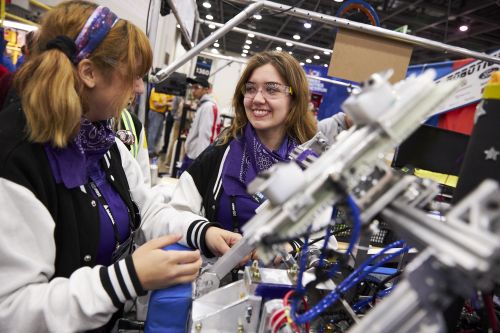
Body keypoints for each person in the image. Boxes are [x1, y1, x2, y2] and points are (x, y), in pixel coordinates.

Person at [0, 2, 240, 332]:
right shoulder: (16, 158)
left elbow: (148, 209)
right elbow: (12, 310)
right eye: (133, 76)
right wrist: (125, 278)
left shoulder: (100, 139)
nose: (140, 88)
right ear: (88, 73)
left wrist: (204, 232)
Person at [168, 51, 317, 253]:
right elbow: (175, 213)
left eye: (271, 90)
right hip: (217, 278)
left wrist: (293, 247)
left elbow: (324, 238)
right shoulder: (220, 154)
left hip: (280, 282)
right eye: (250, 89)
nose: (257, 99)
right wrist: (206, 233)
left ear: (294, 98)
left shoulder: (310, 164)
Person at [179, 76, 220, 174]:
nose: (193, 90)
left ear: (206, 90)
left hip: (197, 159)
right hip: (192, 155)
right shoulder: (203, 105)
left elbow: (206, 136)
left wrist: (201, 162)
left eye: (196, 87)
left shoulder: (208, 107)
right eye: (192, 87)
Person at [147, 85, 171, 156]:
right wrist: (166, 103)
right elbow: (156, 104)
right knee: (153, 133)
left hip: (162, 114)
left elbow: (171, 99)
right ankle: (150, 151)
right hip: (155, 113)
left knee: (159, 134)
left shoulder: (164, 90)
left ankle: (153, 150)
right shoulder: (155, 89)